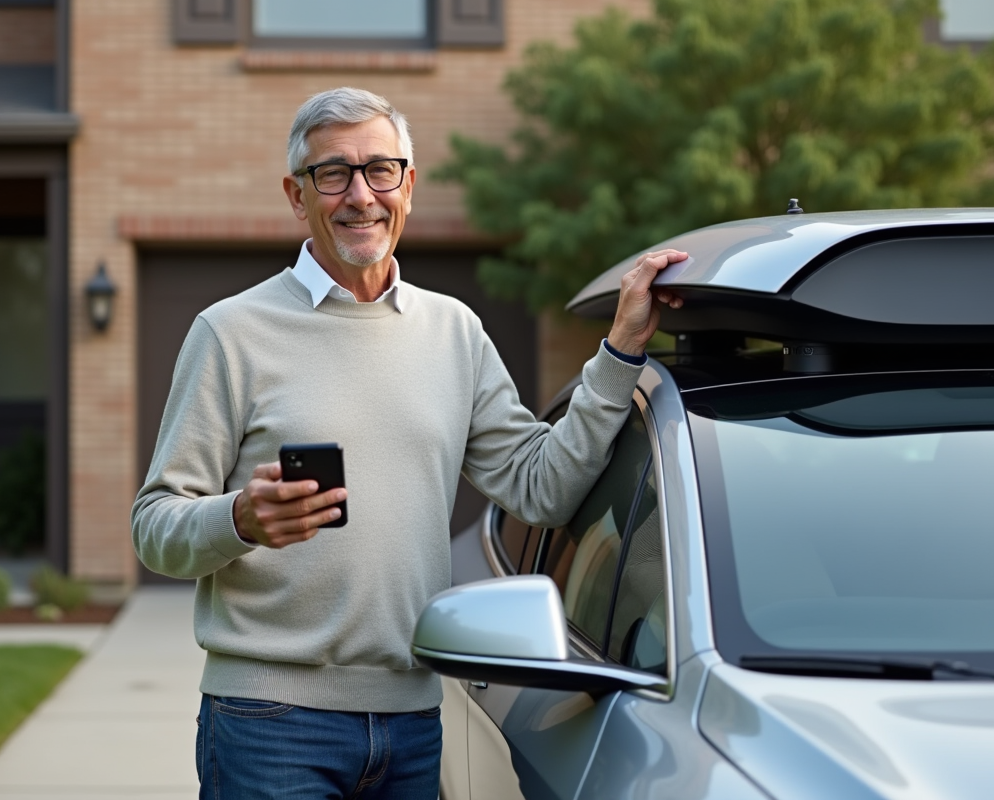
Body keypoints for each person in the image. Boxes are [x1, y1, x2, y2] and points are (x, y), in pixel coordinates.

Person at [131, 86, 686, 800]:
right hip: (268, 724)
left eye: (380, 170)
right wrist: (237, 518)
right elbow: (155, 526)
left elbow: (541, 487)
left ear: (409, 185)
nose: (360, 195)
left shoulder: (454, 332)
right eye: (333, 173)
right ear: (297, 196)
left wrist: (621, 350)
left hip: (413, 725)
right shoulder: (229, 333)